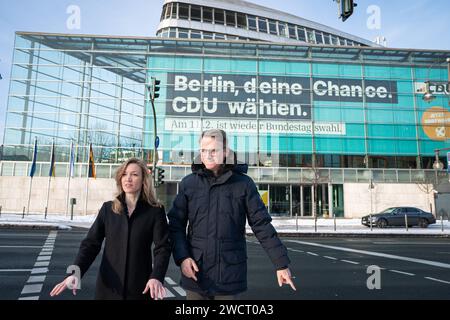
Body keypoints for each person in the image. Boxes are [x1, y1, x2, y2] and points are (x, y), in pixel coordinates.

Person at [168, 129, 296, 300]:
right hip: (195, 272)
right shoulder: (188, 184)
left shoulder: (243, 184)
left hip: (229, 273)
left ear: (226, 152)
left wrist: (280, 264)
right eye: (203, 151)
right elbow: (175, 225)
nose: (208, 155)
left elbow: (261, 225)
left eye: (213, 150)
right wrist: (183, 258)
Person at [50, 158, 171, 300]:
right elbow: (90, 245)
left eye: (134, 174)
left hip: (141, 288)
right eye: (124, 174)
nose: (128, 178)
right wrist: (75, 273)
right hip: (108, 289)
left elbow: (162, 248)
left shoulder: (155, 211)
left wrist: (156, 276)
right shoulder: (108, 209)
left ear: (144, 180)